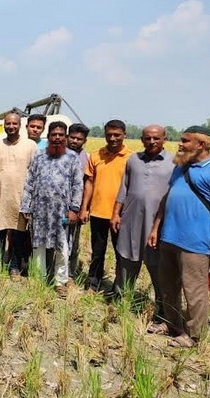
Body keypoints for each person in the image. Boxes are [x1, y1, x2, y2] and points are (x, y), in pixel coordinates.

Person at [148, 125, 210, 348]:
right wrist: (156, 227)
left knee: (194, 290)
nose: (180, 144)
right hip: (170, 236)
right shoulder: (180, 166)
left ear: (201, 145)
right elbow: (168, 197)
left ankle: (193, 336)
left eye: (185, 141)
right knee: (168, 285)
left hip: (196, 243)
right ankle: (172, 324)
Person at [109, 125, 173, 328]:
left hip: (158, 224)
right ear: (141, 140)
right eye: (147, 138)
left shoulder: (174, 163)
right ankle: (120, 302)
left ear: (164, 138)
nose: (151, 142)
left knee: (158, 267)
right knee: (126, 260)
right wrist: (116, 213)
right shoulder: (134, 160)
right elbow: (124, 188)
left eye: (156, 138)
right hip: (131, 220)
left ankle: (163, 311)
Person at [20, 121, 83, 296]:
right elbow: (29, 182)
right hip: (39, 210)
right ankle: (39, 278)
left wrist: (74, 209)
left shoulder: (72, 158)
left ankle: (60, 281)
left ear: (65, 137)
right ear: (48, 137)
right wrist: (26, 205)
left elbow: (78, 185)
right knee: (38, 245)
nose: (57, 138)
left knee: (62, 246)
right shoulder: (39, 156)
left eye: (60, 135)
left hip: (62, 211)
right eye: (53, 135)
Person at [79, 119, 133, 292]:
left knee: (121, 252)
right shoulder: (96, 155)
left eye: (117, 135)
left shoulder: (132, 158)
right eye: (109, 135)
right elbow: (89, 183)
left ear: (125, 135)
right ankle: (93, 282)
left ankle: (119, 288)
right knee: (97, 251)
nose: (113, 138)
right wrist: (84, 208)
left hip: (122, 215)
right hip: (98, 212)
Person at [0, 113, 38, 280]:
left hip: (21, 195)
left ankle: (14, 266)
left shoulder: (30, 146)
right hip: (1, 194)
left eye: (14, 124)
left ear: (20, 125)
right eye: (8, 124)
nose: (11, 126)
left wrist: (32, 198)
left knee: (19, 232)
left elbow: (35, 173)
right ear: (4, 125)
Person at [66, 123, 90, 279]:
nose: (75, 141)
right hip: (55, 206)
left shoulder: (87, 158)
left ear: (84, 140)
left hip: (75, 207)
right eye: (72, 137)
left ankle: (70, 274)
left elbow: (88, 184)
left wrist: (83, 209)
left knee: (72, 242)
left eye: (79, 139)